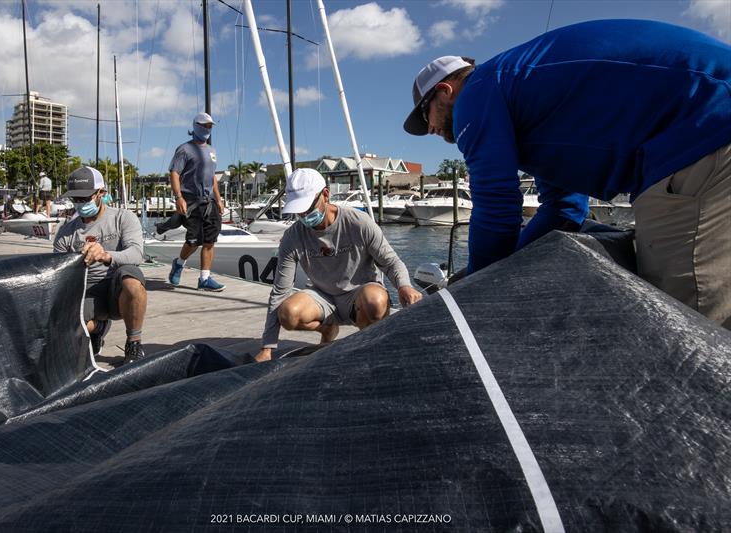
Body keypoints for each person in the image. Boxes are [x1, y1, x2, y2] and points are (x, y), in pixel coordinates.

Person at [404, 19, 731, 329]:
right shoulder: (525, 100)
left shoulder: (475, 95)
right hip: (706, 119)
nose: (430, 130)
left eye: (425, 115)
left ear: (446, 91)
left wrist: (475, 287)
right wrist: (512, 261)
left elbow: (497, 206)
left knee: (682, 325)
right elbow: (565, 209)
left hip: (704, 126)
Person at [254, 168, 423, 363]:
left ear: (326, 195)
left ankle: (366, 344)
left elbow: (391, 262)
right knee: (288, 314)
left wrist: (404, 286)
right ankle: (328, 329)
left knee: (375, 302)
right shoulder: (292, 237)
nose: (303, 215)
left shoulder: (359, 223)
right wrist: (267, 347)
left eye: (308, 208)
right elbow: (280, 291)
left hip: (358, 293)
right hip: (322, 296)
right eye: (298, 211)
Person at [53, 166, 148, 364]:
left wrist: (105, 255)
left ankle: (134, 343)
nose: (80, 204)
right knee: (65, 328)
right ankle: (98, 328)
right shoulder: (66, 232)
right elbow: (58, 275)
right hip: (86, 292)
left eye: (85, 198)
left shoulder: (123, 218)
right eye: (75, 199)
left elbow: (137, 254)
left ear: (101, 193)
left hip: (116, 288)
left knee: (133, 280)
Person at [165, 112, 226, 292]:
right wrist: (178, 197)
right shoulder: (184, 149)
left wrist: (219, 199)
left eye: (210, 126)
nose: (207, 128)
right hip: (191, 200)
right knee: (193, 241)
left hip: (210, 202)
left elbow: (212, 177)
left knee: (209, 240)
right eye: (204, 125)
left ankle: (204, 279)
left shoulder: (212, 151)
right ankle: (179, 263)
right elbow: (174, 173)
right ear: (195, 126)